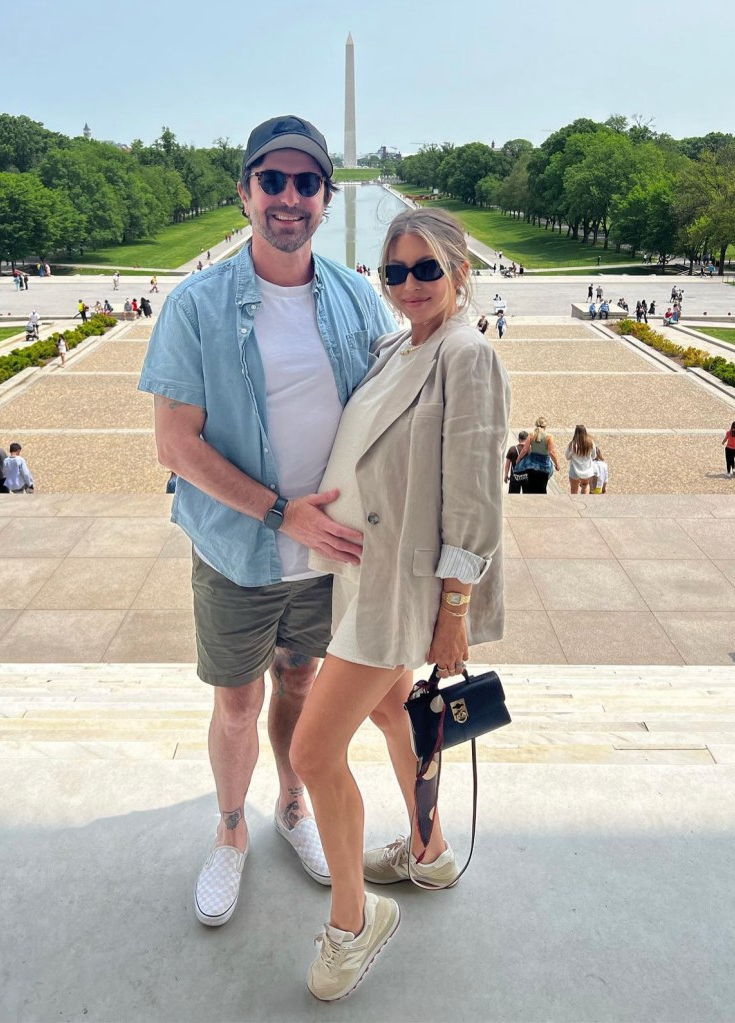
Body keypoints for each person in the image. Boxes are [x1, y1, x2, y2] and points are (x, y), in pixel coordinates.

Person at [138, 115, 396, 935]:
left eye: (305, 183)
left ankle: (290, 804)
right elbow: (174, 443)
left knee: (300, 685)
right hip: (239, 548)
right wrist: (286, 513)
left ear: (325, 197)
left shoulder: (358, 297)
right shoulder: (195, 304)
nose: (289, 198)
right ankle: (228, 828)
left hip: (332, 557)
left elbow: (396, 416)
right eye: (272, 181)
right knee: (238, 703)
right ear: (246, 191)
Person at [290, 207, 510, 1001]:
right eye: (394, 271)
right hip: (361, 573)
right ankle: (430, 850)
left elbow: (478, 495)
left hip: (402, 589)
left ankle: (354, 923)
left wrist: (454, 608)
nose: (408, 284)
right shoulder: (397, 343)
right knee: (392, 714)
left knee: (313, 753)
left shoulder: (465, 354)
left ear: (458, 269)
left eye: (425, 269)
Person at [514, 416, 559, 493]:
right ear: (545, 426)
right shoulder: (549, 437)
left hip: (531, 464)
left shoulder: (531, 435)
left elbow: (525, 449)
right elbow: (551, 452)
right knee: (542, 489)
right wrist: (557, 464)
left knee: (530, 488)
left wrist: (518, 460)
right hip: (544, 466)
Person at [565, 425, 597, 494]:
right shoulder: (591, 443)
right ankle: (585, 500)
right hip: (586, 469)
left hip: (574, 470)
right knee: (585, 485)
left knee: (574, 490)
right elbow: (594, 456)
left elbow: (567, 457)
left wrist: (573, 454)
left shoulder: (572, 444)